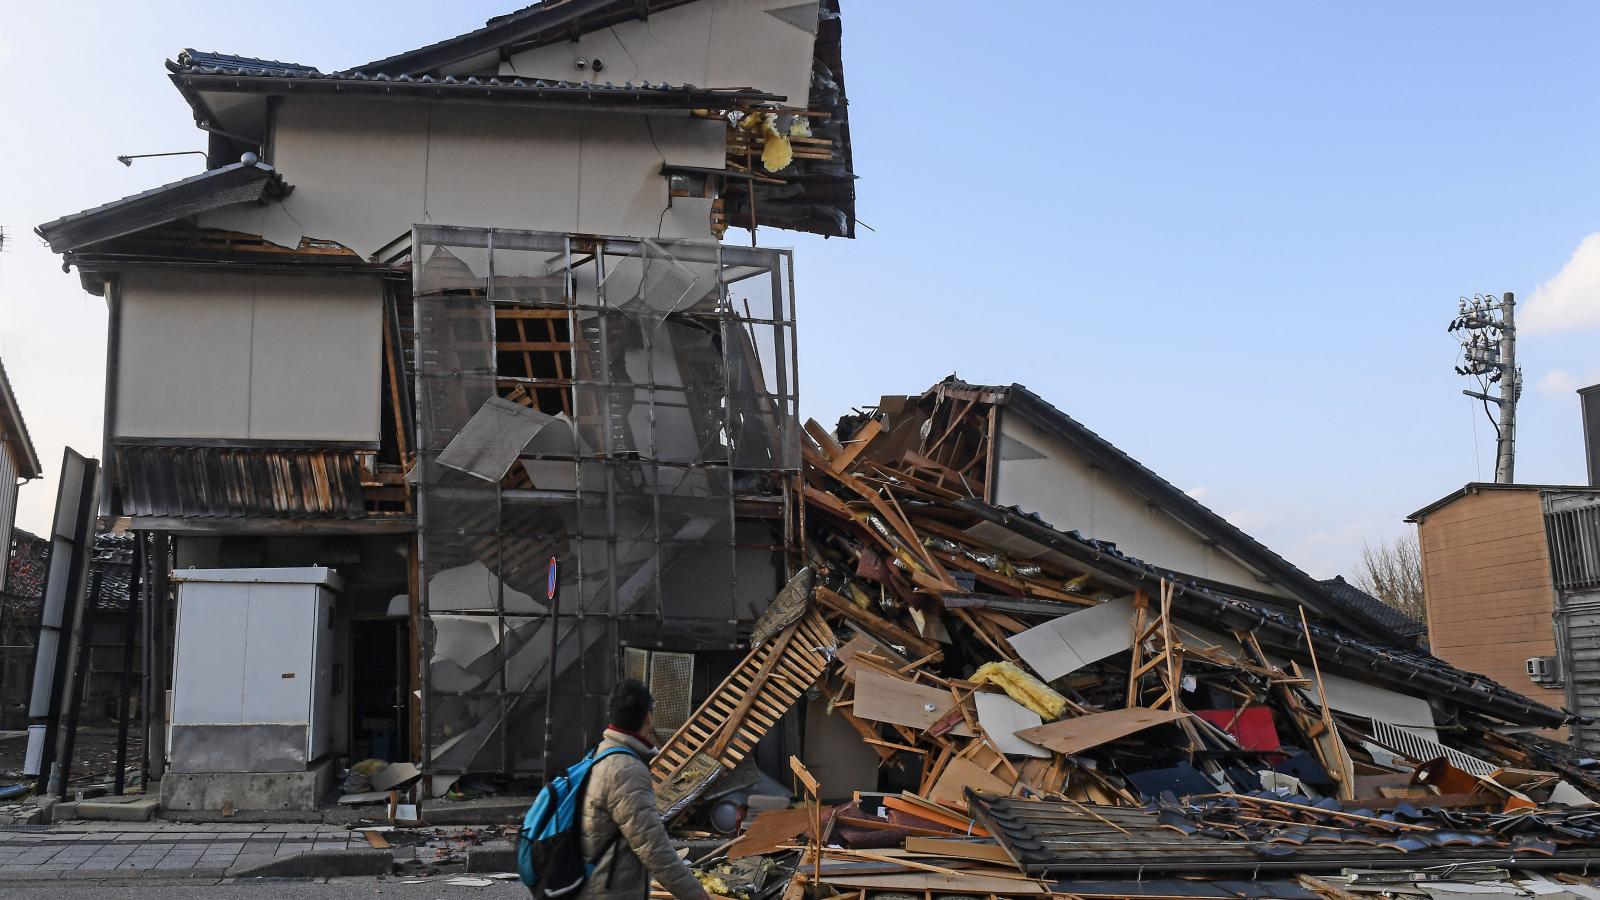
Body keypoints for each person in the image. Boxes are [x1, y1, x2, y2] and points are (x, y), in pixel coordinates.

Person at [577, 679, 712, 900]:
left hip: (594, 883)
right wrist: (696, 894)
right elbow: (653, 848)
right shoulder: (625, 770)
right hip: (610, 892)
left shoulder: (600, 753)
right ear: (648, 717)